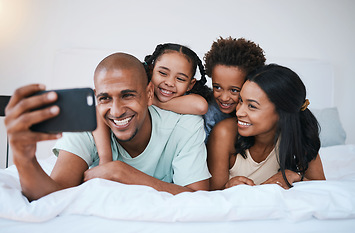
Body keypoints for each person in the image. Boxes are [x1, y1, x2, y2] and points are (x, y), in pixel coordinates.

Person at [5, 52, 210, 201]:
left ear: (149, 94)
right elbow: (51, 196)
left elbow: (200, 199)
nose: (116, 110)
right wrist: (24, 158)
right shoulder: (88, 125)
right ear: (96, 98)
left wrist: (123, 173)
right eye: (105, 98)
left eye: (127, 95)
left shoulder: (185, 125)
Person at [207, 64, 326, 190]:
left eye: (252, 106)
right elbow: (212, 195)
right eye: (241, 101)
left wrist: (293, 176)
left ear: (281, 113)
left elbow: (321, 188)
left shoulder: (300, 135)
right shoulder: (224, 133)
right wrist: (228, 187)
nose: (239, 112)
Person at [94, 43, 210, 165]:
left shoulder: (156, 100)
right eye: (163, 73)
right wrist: (106, 159)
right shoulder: (137, 90)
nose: (170, 83)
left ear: (190, 85)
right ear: (151, 70)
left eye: (180, 79)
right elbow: (97, 112)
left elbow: (201, 106)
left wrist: (153, 101)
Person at [203, 36, 266, 142]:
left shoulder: (262, 111)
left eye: (234, 90)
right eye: (217, 87)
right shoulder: (209, 116)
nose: (224, 97)